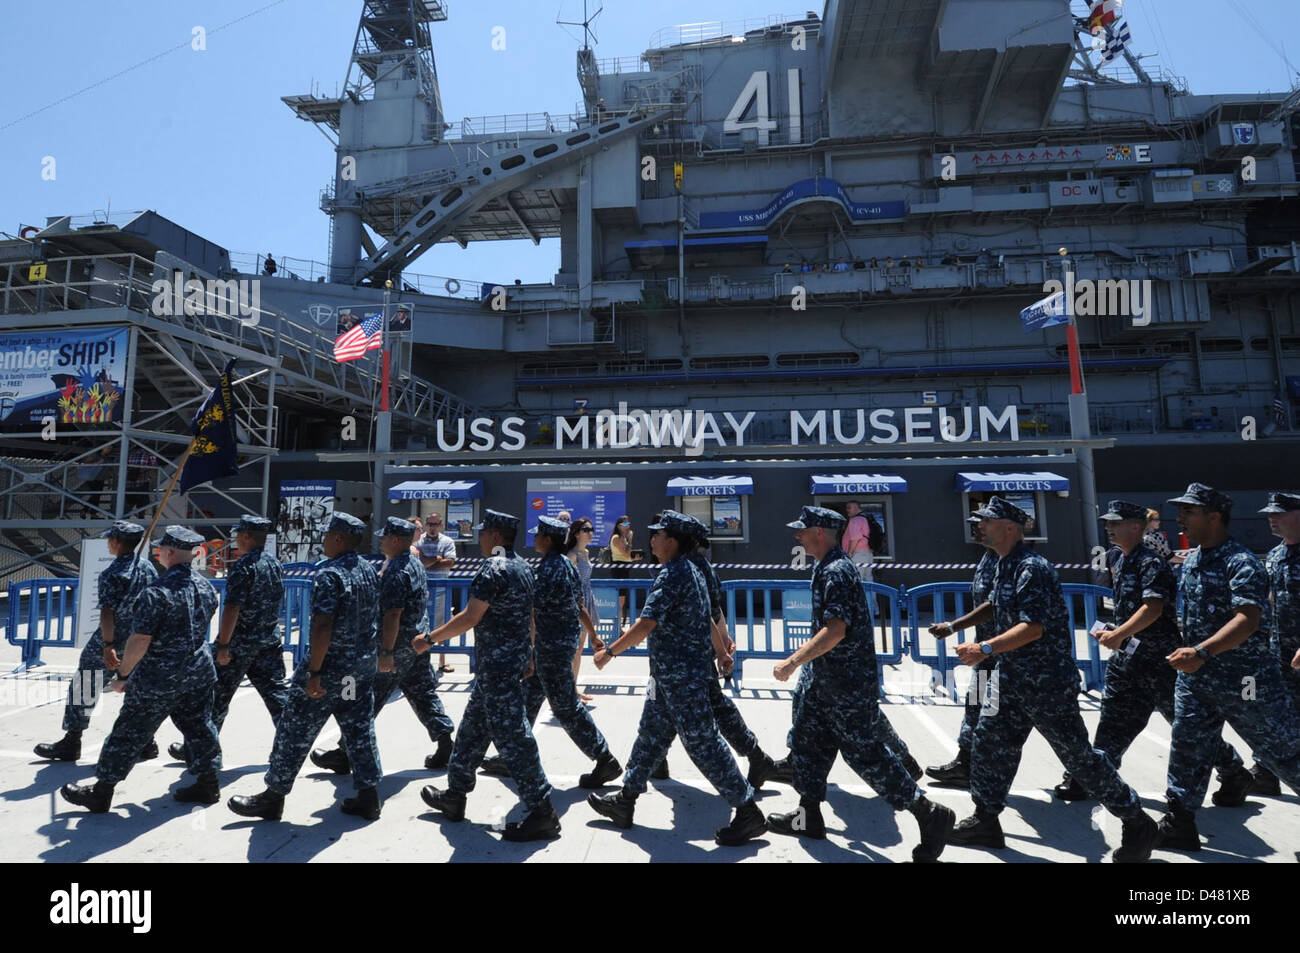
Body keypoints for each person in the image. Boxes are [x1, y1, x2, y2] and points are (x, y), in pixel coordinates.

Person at [938, 496, 1159, 862]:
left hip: (1046, 683)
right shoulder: (1004, 565)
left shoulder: (1032, 568)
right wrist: (967, 634)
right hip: (1010, 678)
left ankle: (1136, 820)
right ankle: (986, 819)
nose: (979, 526)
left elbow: (1033, 627)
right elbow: (997, 608)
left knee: (1079, 758)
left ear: (1009, 528)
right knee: (990, 745)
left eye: (987, 521)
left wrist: (985, 649)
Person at [764, 506, 954, 861]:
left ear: (820, 532)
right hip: (824, 681)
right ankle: (808, 816)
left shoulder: (836, 570)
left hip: (845, 684)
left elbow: (835, 630)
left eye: (803, 530)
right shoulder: (826, 566)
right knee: (808, 745)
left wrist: (792, 662)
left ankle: (929, 813)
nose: (798, 536)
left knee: (864, 754)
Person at [1049, 501, 1248, 804]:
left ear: (1136, 526)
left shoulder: (1150, 563)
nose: (1109, 528)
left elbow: (1152, 608)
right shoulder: (1120, 559)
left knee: (1185, 723)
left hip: (1160, 662)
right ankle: (1092, 777)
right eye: (1107, 523)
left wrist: (1119, 633)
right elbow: (1132, 610)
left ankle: (1233, 770)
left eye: (1116, 523)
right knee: (1113, 721)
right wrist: (1116, 631)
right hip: (1128, 660)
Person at [587, 511, 766, 846]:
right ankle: (625, 802)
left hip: (681, 677)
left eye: (657, 534)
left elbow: (646, 623)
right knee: (650, 738)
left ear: (671, 540)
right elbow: (708, 619)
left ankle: (747, 810)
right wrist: (722, 651)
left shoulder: (673, 574)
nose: (651, 539)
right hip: (669, 678)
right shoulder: (691, 570)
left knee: (704, 744)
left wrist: (608, 653)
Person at [1158, 484, 1300, 850]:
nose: (1181, 519)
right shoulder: (1191, 561)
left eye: (1189, 512)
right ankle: (1179, 821)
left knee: (1281, 750)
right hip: (1197, 678)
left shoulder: (1241, 562)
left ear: (1214, 517)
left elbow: (1248, 619)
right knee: (1188, 746)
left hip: (1245, 678)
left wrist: (1201, 651)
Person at [227, 512, 383, 822]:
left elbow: (322, 625)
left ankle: (273, 797)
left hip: (329, 670)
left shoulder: (331, 575)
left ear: (338, 538)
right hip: (357, 670)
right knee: (358, 728)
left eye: (327, 536)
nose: (323, 541)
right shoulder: (368, 570)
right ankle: (369, 795)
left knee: (294, 728)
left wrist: (314, 672)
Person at [417, 510, 559, 841]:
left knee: (514, 739)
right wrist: (530, 652)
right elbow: (531, 615)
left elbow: (470, 617)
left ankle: (542, 812)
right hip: (503, 665)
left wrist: (429, 640)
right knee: (472, 731)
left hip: (498, 667)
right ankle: (455, 795)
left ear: (495, 537)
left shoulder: (494, 568)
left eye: (484, 533)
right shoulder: (523, 567)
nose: (480, 538)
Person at [60, 527, 223, 812]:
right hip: (198, 672)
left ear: (169, 553)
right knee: (199, 727)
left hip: (159, 676)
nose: (158, 552)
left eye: (162, 549)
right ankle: (208, 783)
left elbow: (140, 640)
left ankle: (101, 791)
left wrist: (123, 674)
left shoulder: (157, 592)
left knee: (127, 730)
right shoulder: (206, 587)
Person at [310, 517, 455, 775]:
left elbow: (392, 615)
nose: (381, 541)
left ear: (396, 540)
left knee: (366, 700)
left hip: (396, 646)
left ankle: (346, 752)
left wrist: (386, 652)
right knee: (423, 694)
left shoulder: (397, 571)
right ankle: (445, 741)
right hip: (416, 643)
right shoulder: (415, 564)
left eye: (385, 537)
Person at [35, 521, 160, 764]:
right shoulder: (147, 568)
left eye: (110, 539)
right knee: (138, 688)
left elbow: (107, 612)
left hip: (117, 636)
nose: (108, 543)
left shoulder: (113, 573)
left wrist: (108, 644)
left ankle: (72, 740)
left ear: (116, 542)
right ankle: (146, 741)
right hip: (141, 638)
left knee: (86, 683)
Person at [170, 515, 288, 766]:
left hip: (239, 644)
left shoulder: (244, 566)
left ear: (247, 536)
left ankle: (201, 749)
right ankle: (289, 748)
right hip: (267, 640)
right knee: (278, 697)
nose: (235, 539)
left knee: (215, 698)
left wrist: (223, 644)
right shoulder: (274, 564)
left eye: (238, 534)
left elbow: (232, 608)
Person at [518, 515, 621, 788]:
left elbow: (535, 613)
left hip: (550, 646)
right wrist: (595, 636)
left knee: (566, 707)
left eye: (538, 535)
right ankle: (514, 752)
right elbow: (579, 605)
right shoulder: (566, 565)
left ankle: (604, 759)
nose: (534, 540)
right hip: (559, 643)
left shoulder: (549, 569)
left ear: (548, 539)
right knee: (529, 697)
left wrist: (530, 647)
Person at [925, 513, 999, 787]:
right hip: (987, 653)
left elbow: (994, 606)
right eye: (976, 524)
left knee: (1049, 721)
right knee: (976, 707)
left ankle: (1087, 772)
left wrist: (953, 626)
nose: (977, 529)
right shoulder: (989, 557)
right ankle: (965, 764)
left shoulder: (1013, 562)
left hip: (1013, 658)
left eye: (983, 524)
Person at [1252, 491, 1300, 795]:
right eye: (1270, 514)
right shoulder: (1276, 554)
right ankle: (1265, 771)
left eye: (1279, 514)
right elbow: (1272, 599)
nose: (1272, 519)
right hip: (1279, 651)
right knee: (1271, 711)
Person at [415, 513, 457, 673]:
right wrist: (437, 559)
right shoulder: (417, 541)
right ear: (426, 524)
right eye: (430, 524)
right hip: (420, 592)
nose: (432, 527)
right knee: (420, 626)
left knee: (442, 626)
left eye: (436, 524)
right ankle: (420, 663)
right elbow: (421, 562)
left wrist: (428, 561)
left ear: (441, 525)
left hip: (441, 591)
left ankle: (442, 661)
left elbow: (450, 563)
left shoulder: (448, 541)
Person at [566, 517, 599, 702]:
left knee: (579, 649)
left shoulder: (585, 552)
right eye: (586, 529)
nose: (590, 532)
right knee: (574, 648)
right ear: (577, 533)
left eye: (591, 529)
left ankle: (573, 687)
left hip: (586, 599)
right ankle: (569, 689)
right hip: (576, 602)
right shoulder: (572, 554)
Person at [609, 515, 634, 626]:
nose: (627, 526)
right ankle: (617, 627)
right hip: (619, 569)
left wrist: (634, 558)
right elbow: (625, 553)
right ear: (618, 526)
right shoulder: (616, 538)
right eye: (624, 524)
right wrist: (630, 539)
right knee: (620, 601)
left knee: (622, 601)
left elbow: (627, 555)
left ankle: (618, 626)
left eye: (628, 524)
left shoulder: (623, 537)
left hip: (625, 567)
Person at [841, 501, 874, 582]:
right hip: (868, 553)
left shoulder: (855, 520)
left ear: (856, 508)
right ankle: (871, 595)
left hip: (858, 554)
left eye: (849, 508)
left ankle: (859, 595)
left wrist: (850, 553)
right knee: (868, 578)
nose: (847, 510)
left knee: (857, 579)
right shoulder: (867, 519)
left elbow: (856, 538)